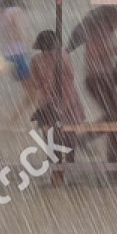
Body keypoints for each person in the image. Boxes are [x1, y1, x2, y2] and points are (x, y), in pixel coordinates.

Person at [70, 6, 117, 163]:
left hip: (102, 78)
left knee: (116, 116)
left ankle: (106, 152)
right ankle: (110, 155)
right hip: (98, 79)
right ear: (116, 17)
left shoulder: (104, 29)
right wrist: (116, 50)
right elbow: (94, 53)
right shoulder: (101, 30)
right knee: (116, 117)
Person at [28, 30, 85, 167]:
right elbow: (71, 75)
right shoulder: (63, 56)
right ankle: (67, 164)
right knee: (69, 133)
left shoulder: (36, 60)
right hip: (67, 99)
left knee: (51, 135)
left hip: (49, 101)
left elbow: (35, 83)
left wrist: (46, 84)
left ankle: (55, 165)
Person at [0, 0, 34, 127]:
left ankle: (11, 121)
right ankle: (11, 121)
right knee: (34, 92)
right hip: (18, 56)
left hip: (6, 57)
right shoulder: (15, 11)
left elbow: (7, 34)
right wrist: (32, 41)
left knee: (33, 92)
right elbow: (18, 33)